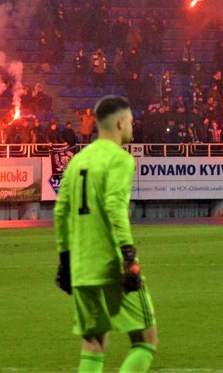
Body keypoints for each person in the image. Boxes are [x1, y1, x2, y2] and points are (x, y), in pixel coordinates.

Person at [54, 96, 158, 372]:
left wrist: (65, 260)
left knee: (94, 343)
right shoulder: (120, 159)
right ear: (121, 123)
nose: (133, 126)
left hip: (81, 267)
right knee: (146, 341)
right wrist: (129, 255)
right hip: (112, 264)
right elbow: (115, 207)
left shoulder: (78, 160)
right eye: (131, 121)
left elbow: (60, 212)